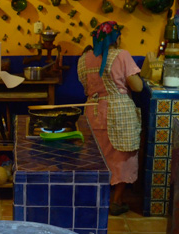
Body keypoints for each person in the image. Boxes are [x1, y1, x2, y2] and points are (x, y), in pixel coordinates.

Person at [77, 21, 143, 216]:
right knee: (122, 156)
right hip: (118, 111)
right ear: (117, 38)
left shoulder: (84, 59)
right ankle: (116, 200)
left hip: (93, 111)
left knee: (97, 155)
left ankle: (97, 198)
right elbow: (137, 86)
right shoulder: (121, 55)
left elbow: (85, 86)